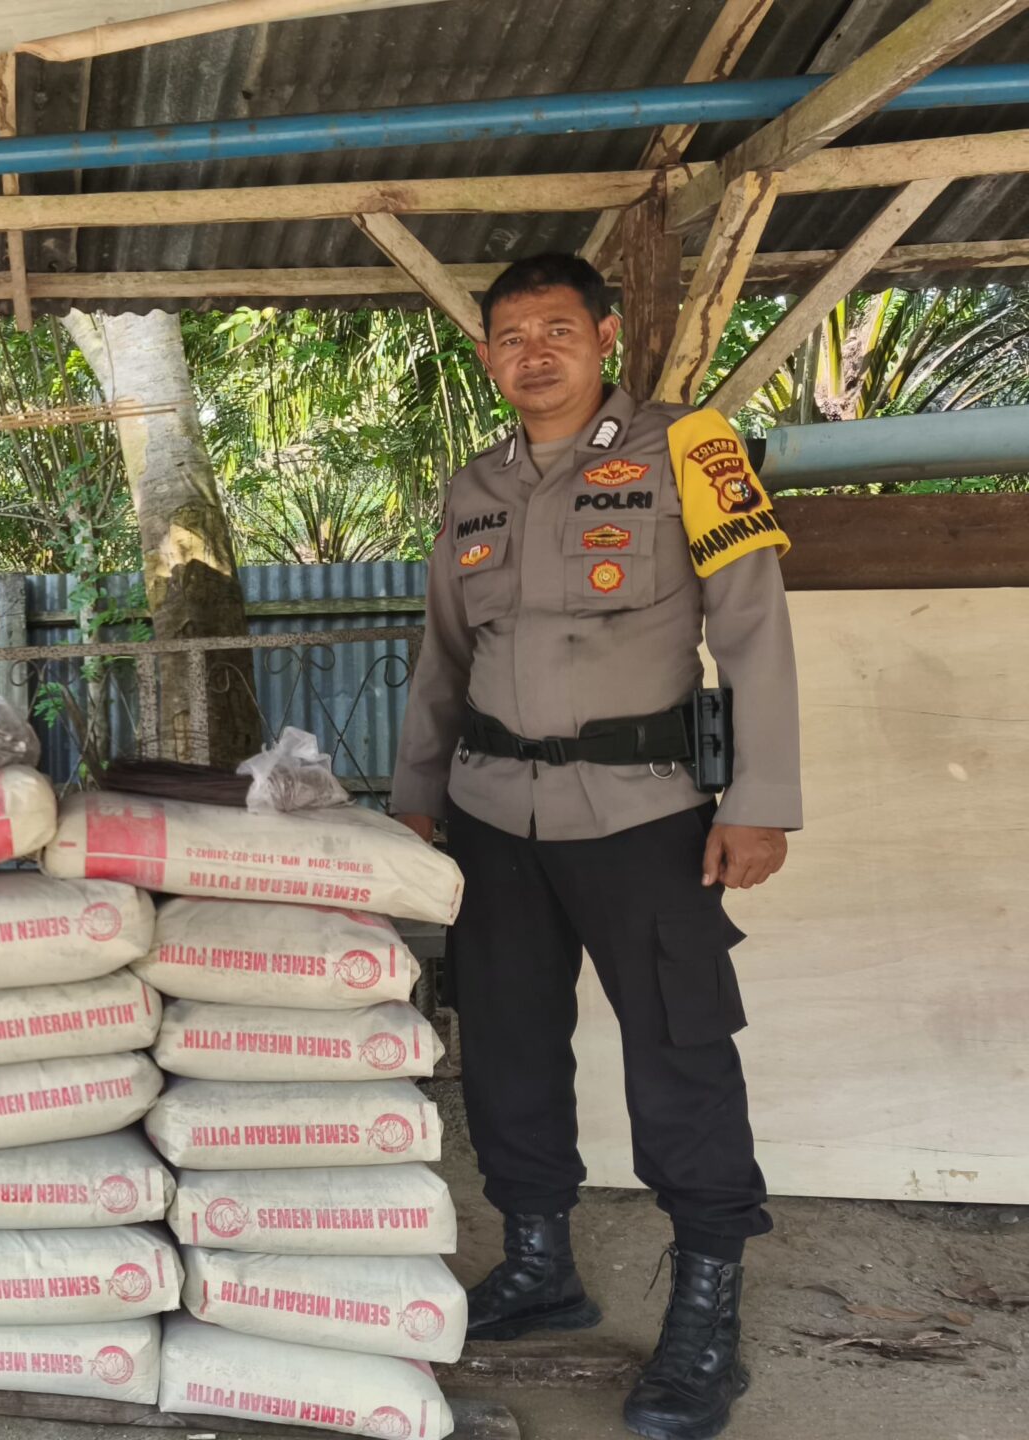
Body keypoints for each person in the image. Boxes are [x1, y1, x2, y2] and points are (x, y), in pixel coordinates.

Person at [390, 254, 799, 1440]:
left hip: (643, 814)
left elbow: (753, 625)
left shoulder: (690, 449)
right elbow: (442, 654)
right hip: (491, 815)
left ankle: (706, 1309)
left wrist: (761, 798)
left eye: (556, 330)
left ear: (604, 337)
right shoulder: (473, 486)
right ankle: (537, 1265)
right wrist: (416, 799)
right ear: (487, 357)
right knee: (508, 1041)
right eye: (511, 336)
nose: (534, 354)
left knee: (680, 1050)